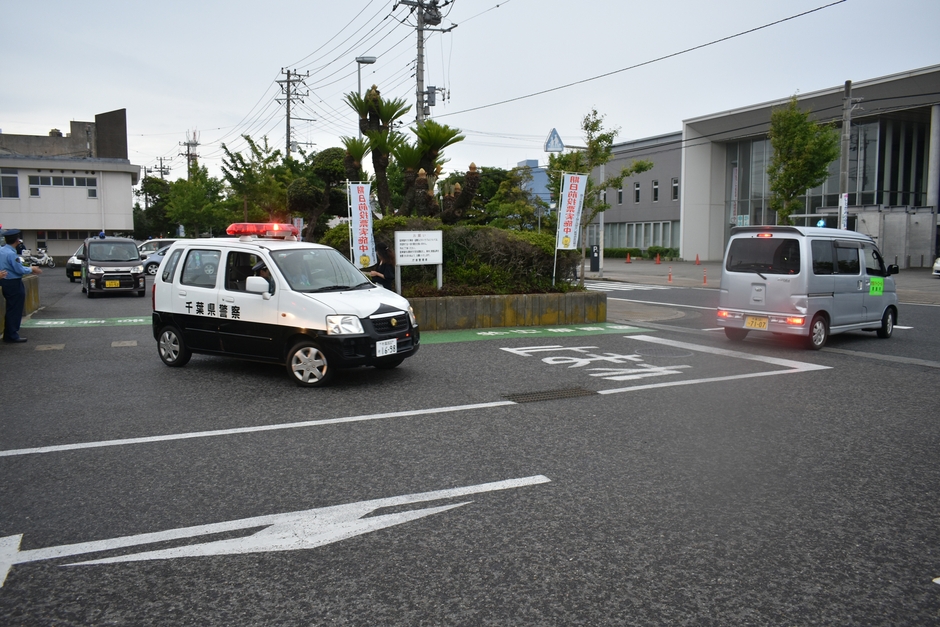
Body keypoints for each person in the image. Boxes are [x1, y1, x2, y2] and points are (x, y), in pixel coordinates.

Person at [0, 229, 43, 343]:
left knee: (10, 307)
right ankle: (12, 335)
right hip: (13, 282)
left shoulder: (1, 250)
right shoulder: (11, 254)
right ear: (17, 240)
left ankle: (8, 333)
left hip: (4, 281)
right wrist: (31, 269)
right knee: (15, 309)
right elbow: (18, 269)